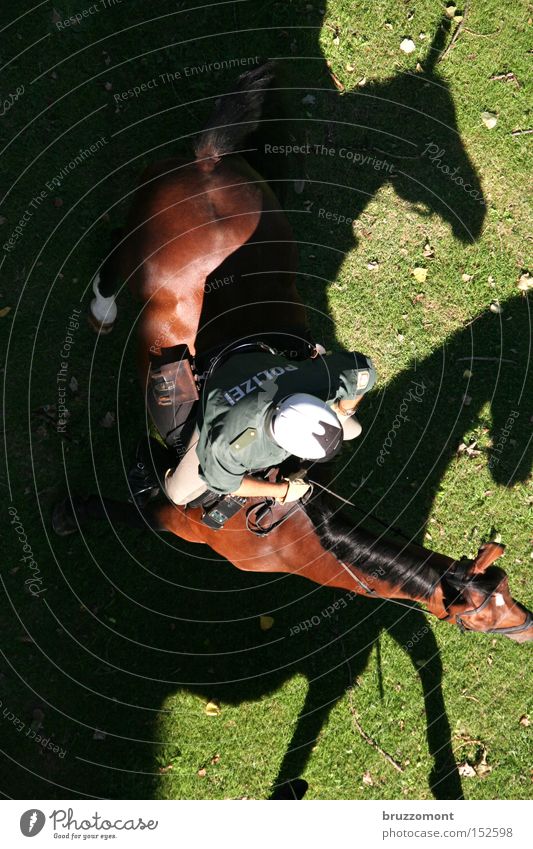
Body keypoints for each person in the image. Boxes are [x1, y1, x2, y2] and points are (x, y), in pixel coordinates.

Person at [163, 347, 376, 506]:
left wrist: (342, 411)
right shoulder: (230, 445)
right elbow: (227, 484)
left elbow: (363, 372)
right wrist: (282, 490)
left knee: (354, 429)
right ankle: (148, 471)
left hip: (264, 372)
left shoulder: (312, 381)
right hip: (223, 388)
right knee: (178, 494)